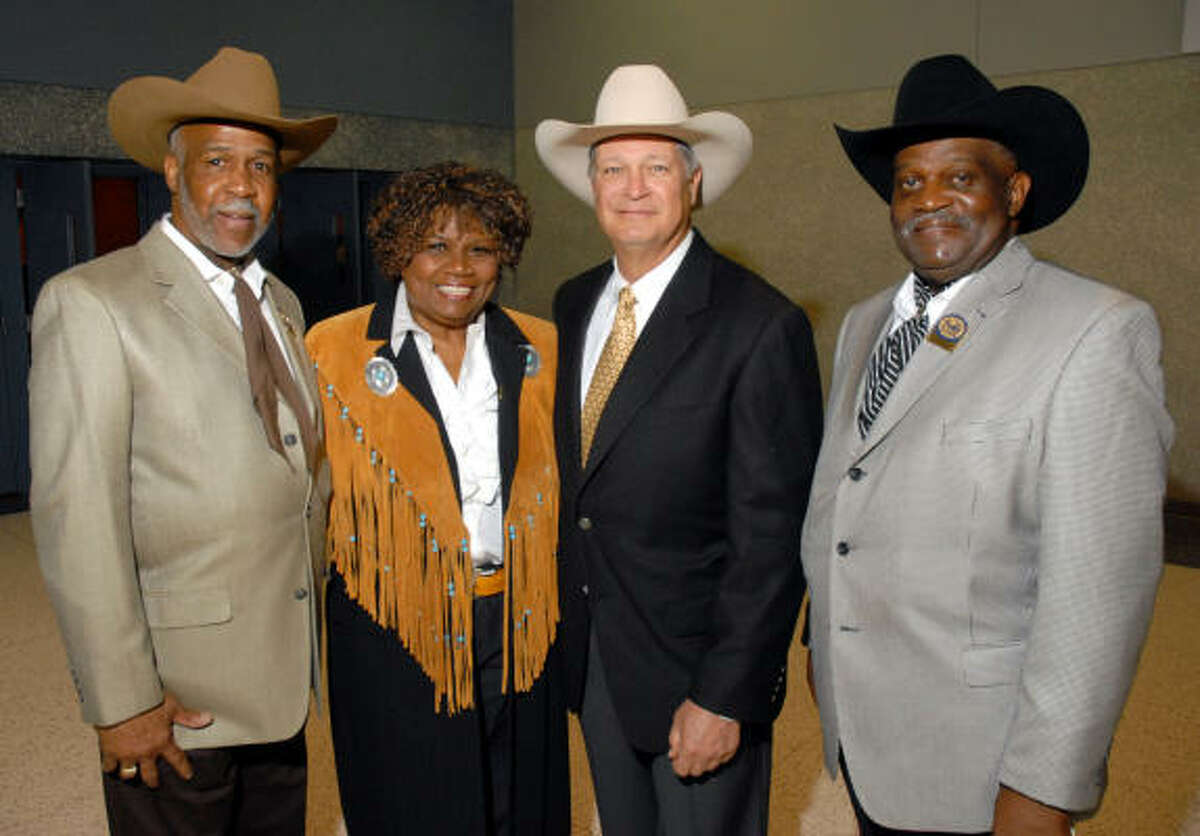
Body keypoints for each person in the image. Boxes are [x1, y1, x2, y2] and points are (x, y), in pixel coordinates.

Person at [801, 54, 1173, 835]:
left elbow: (1097, 603)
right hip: (867, 741)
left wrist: (1042, 792)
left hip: (982, 766)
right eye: (909, 182)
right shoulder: (866, 324)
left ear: (1015, 191)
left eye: (960, 178)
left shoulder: (1095, 331)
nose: (929, 200)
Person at [29, 47, 337, 833]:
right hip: (176, 697)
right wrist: (122, 698)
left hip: (278, 678)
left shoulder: (284, 303)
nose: (243, 185)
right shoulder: (94, 302)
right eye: (218, 161)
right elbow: (79, 518)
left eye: (262, 166)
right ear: (172, 171)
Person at [535, 64, 823, 835]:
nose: (633, 188)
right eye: (613, 170)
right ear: (591, 187)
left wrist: (726, 694)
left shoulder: (760, 326)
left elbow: (772, 538)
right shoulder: (572, 301)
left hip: (698, 677)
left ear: (693, 184)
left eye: (656, 167)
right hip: (596, 660)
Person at [305, 161, 568, 835]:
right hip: (394, 624)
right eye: (436, 245)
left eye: (480, 248)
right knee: (411, 798)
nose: (459, 267)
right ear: (399, 252)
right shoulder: (331, 350)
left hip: (515, 617)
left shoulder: (539, 347)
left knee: (516, 795)